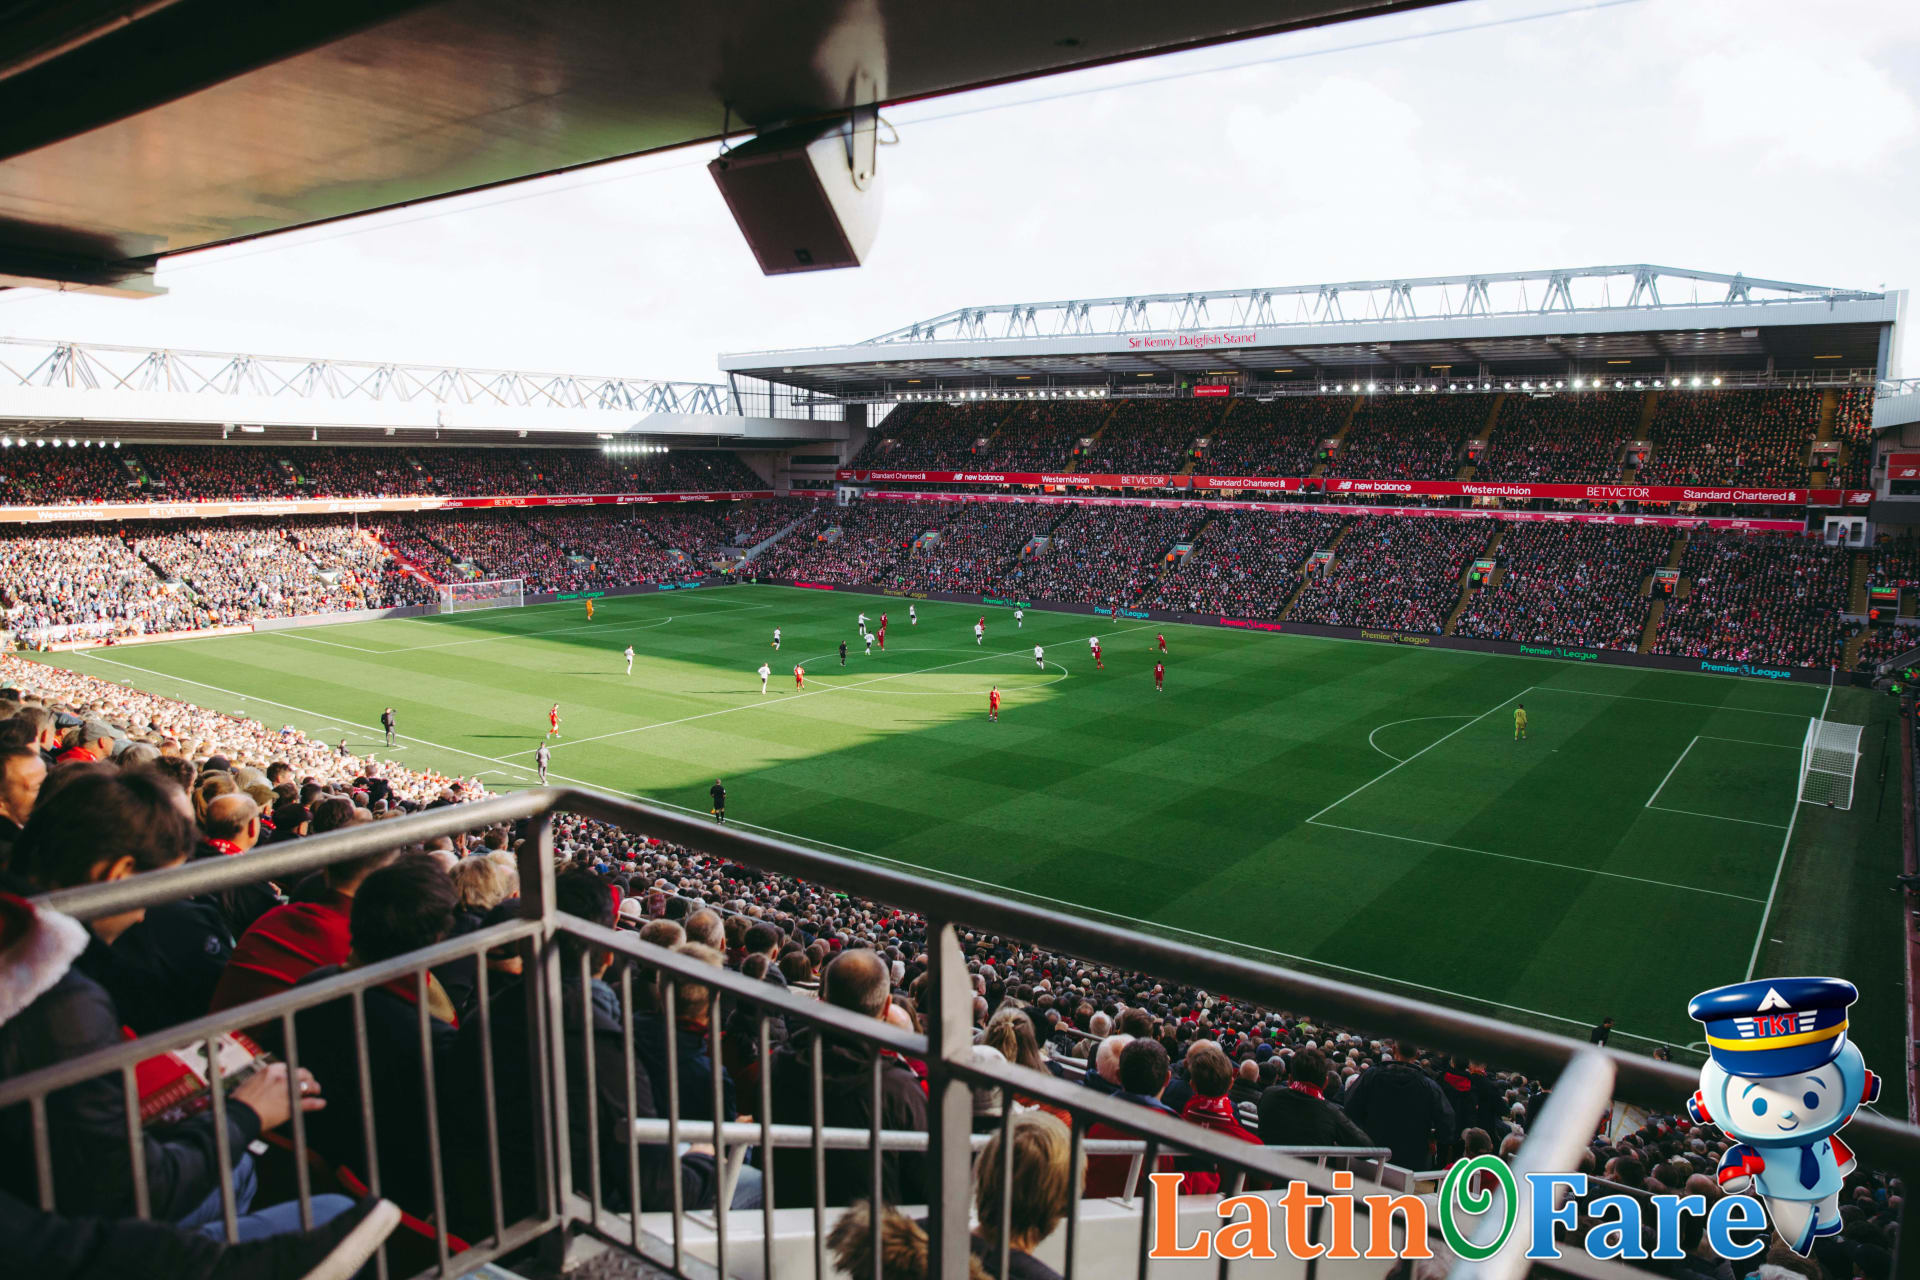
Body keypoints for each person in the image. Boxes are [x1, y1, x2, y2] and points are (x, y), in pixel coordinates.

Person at [770, 949, 927, 1208]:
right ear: (887, 1006)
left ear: (821, 998)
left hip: (782, 1210)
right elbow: (925, 1184)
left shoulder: (781, 1059)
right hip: (865, 1236)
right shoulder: (900, 1090)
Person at [1341, 1040, 1455, 1171]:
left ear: (1394, 1050)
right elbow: (1447, 1124)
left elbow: (1350, 1107)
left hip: (1373, 1153)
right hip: (1410, 1161)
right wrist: (1432, 1137)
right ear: (1417, 1055)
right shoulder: (1429, 1086)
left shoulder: (1371, 1076)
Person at [1256, 1048, 1374, 1149]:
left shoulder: (1269, 1094)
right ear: (1325, 1084)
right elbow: (1367, 1147)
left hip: (1262, 1170)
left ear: (1290, 1079)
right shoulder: (1332, 1113)